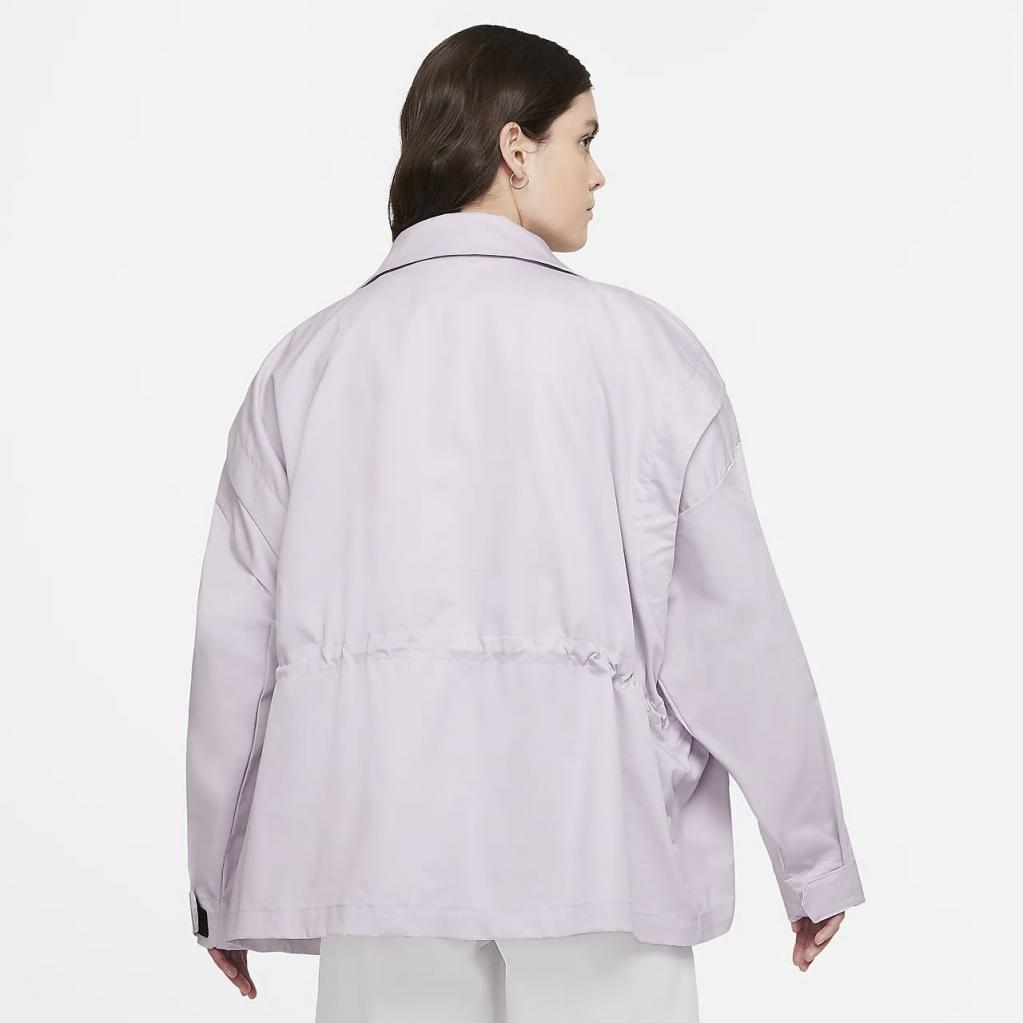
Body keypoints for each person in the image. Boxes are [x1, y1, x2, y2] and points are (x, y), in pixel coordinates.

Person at [184, 23, 865, 1021]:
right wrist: (811, 860)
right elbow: (732, 627)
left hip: (378, 855)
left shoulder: (306, 366)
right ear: (515, 147)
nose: (597, 173)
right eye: (582, 139)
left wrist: (219, 880)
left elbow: (231, 648)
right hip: (600, 851)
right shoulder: (643, 352)